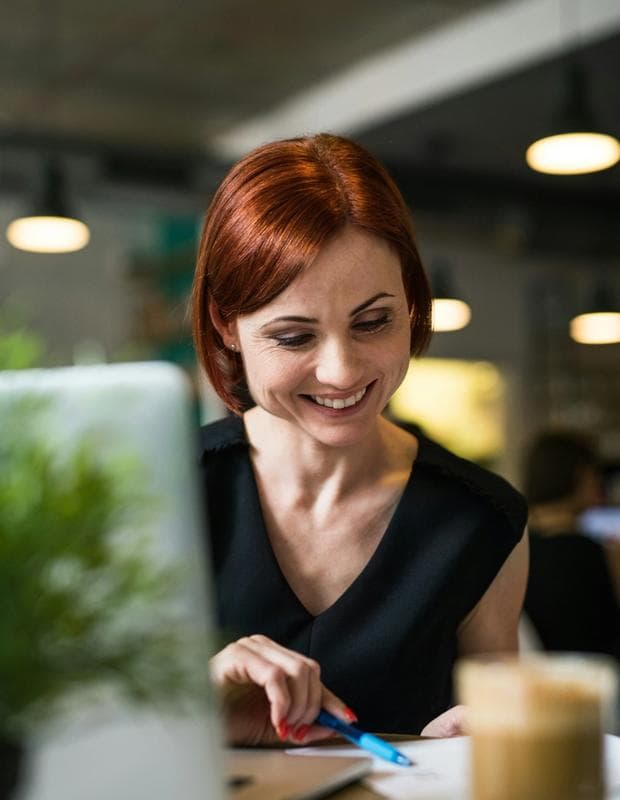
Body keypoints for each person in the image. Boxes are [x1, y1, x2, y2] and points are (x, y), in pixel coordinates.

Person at [191, 133, 528, 746]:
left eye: (374, 322)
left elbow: (501, 739)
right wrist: (189, 706)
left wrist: (487, 740)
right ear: (227, 324)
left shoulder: (479, 519)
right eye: (294, 337)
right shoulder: (165, 492)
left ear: (412, 302)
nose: (343, 372)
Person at [522, 429, 620, 661]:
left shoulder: (512, 547)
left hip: (536, 683)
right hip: (600, 682)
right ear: (580, 475)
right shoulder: (598, 553)